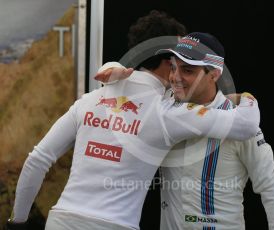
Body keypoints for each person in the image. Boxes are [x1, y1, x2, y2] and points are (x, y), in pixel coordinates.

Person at [7, 12, 259, 230]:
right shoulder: (168, 114)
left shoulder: (91, 98)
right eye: (177, 61)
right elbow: (247, 125)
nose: (179, 69)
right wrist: (247, 98)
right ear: (167, 60)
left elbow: (37, 161)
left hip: (62, 221)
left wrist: (18, 222)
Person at [97, 32, 274, 229]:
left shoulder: (239, 121)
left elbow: (271, 187)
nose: (175, 78)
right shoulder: (162, 107)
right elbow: (120, 89)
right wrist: (111, 68)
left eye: (187, 71)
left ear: (214, 74)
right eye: (173, 68)